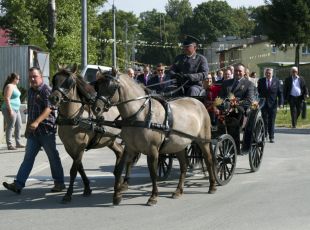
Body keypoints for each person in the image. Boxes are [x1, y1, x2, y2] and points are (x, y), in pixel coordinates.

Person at [3, 67, 65, 194]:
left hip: (46, 131)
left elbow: (49, 108)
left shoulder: (46, 90)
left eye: (35, 76)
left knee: (53, 157)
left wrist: (37, 122)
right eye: (30, 76)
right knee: (28, 159)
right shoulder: (31, 91)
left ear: (41, 77)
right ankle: (18, 184)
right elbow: (31, 111)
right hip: (33, 133)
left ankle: (59, 183)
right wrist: (28, 128)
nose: (32, 79)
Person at [219, 63, 255, 154]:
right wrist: (223, 103)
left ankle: (234, 146)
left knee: (236, 113)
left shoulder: (249, 84)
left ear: (244, 73)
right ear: (233, 71)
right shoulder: (226, 83)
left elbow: (249, 100)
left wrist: (235, 103)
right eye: (236, 71)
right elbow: (221, 96)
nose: (237, 73)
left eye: (240, 71)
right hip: (224, 107)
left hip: (239, 109)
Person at [257, 68, 283, 143]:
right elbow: (258, 91)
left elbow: (280, 93)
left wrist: (281, 103)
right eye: (267, 73)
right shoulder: (261, 81)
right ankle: (264, 135)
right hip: (264, 104)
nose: (268, 74)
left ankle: (271, 136)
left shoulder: (276, 81)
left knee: (272, 120)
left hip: (273, 104)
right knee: (264, 120)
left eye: (269, 73)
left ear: (272, 74)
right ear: (265, 73)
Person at [1, 73, 25, 150]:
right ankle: (10, 144)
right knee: (10, 126)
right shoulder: (9, 86)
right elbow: (7, 98)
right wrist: (10, 110)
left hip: (16, 109)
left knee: (19, 125)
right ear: (14, 79)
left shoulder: (15, 86)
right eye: (18, 79)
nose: (19, 80)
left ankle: (18, 143)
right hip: (9, 108)